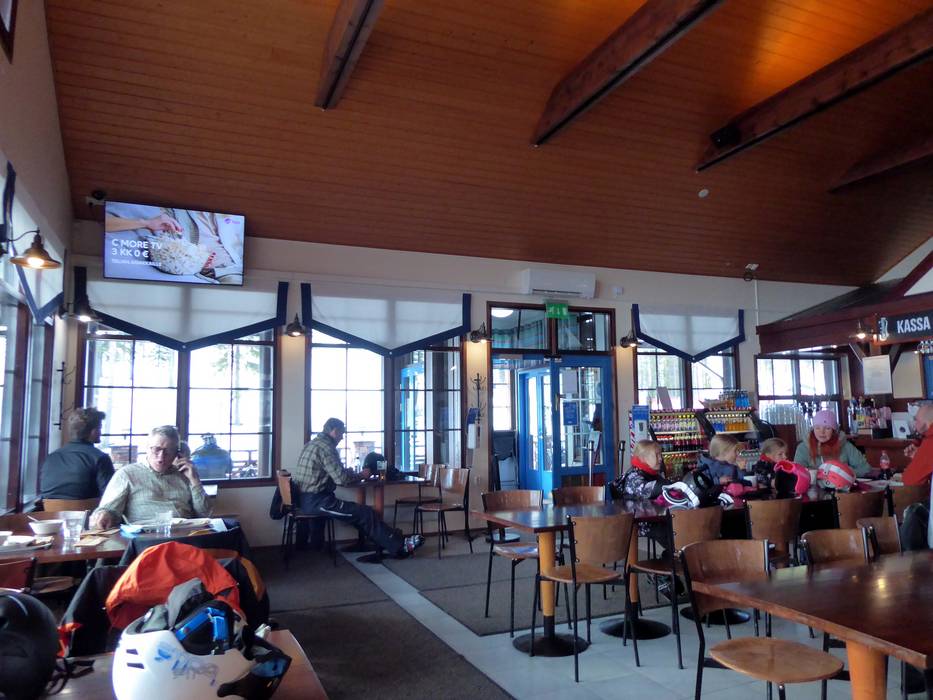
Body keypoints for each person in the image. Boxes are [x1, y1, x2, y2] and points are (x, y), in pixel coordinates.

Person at [293, 418, 423, 558]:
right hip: (316, 501)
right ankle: (400, 546)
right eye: (342, 433)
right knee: (365, 513)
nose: (342, 437)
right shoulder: (326, 448)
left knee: (359, 513)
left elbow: (329, 473)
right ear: (335, 431)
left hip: (304, 499)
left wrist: (348, 473)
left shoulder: (312, 444)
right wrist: (361, 475)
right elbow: (341, 479)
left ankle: (387, 539)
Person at [91, 425, 211, 529]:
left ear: (177, 454)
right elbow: (108, 510)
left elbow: (204, 514)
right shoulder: (127, 474)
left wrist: (195, 480)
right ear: (147, 449)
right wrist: (104, 514)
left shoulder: (185, 475)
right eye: (156, 450)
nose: (161, 457)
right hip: (145, 538)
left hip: (184, 535)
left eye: (168, 451)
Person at [39, 407, 114, 501]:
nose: (100, 432)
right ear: (93, 431)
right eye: (99, 428)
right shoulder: (100, 458)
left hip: (49, 510)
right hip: (88, 510)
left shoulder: (51, 458)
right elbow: (112, 496)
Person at [792, 409, 871, 476]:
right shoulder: (803, 448)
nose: (822, 432)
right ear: (813, 429)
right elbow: (797, 472)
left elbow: (865, 468)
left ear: (834, 431)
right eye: (817, 428)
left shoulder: (845, 446)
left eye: (827, 428)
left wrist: (844, 474)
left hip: (842, 488)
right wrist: (817, 475)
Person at [901, 403, 933, 486]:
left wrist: (921, 455)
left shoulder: (930, 441)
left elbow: (909, 480)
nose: (915, 424)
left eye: (917, 420)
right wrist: (917, 456)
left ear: (926, 423)